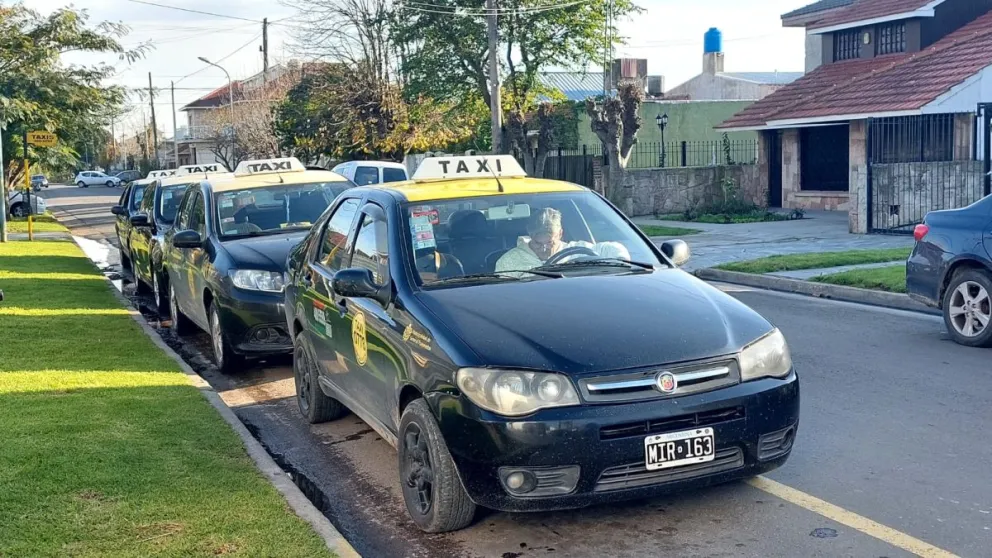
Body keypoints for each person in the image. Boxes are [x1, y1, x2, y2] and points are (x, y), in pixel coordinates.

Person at [495, 207, 629, 275]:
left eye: (549, 243)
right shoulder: (509, 262)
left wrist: (622, 261)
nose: (543, 249)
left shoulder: (578, 251)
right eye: (537, 243)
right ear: (530, 235)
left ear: (560, 234)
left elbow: (614, 248)